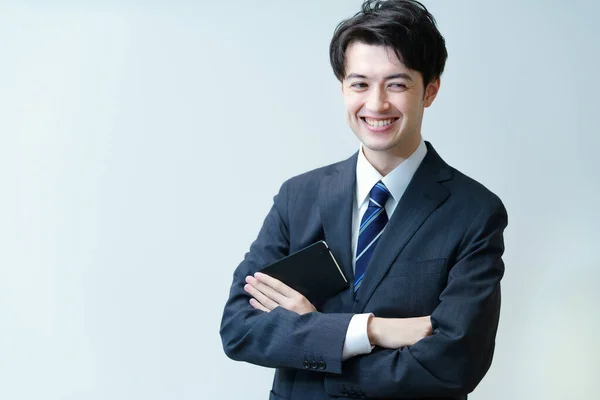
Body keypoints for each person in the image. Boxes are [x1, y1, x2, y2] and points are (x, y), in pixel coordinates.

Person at [220, 1, 508, 399]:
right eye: (359, 84)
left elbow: (454, 363)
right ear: (342, 87)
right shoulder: (298, 197)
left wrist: (315, 337)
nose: (375, 105)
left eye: (397, 84)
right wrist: (369, 329)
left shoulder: (474, 212)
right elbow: (239, 328)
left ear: (430, 90)